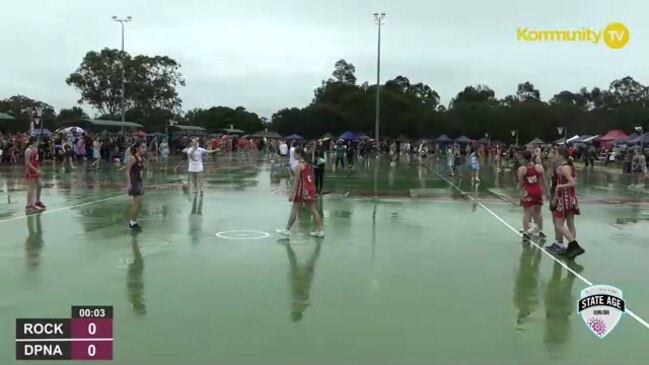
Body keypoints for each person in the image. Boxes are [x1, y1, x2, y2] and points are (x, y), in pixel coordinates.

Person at [546, 147, 585, 259]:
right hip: (571, 198)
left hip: (565, 199)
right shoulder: (569, 166)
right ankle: (570, 248)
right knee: (570, 224)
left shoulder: (563, 168)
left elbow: (572, 183)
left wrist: (559, 186)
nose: (556, 156)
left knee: (559, 224)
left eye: (557, 154)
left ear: (561, 155)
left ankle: (574, 245)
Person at [276, 148, 324, 238]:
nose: (293, 155)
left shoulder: (299, 166)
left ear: (299, 154)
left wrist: (292, 193)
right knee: (314, 210)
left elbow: (297, 180)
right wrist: (292, 179)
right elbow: (302, 176)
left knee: (294, 209)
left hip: (302, 190)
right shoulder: (306, 164)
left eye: (295, 153)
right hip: (310, 188)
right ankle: (320, 230)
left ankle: (287, 230)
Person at [518, 150, 546, 240]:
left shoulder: (522, 169)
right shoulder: (539, 167)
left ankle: (526, 232)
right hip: (537, 191)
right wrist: (547, 192)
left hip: (528, 191)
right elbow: (544, 181)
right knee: (538, 212)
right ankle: (540, 230)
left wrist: (518, 191)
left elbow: (521, 183)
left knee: (527, 213)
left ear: (523, 158)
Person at [126, 142, 147, 232]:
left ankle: (134, 222)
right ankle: (131, 223)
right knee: (137, 203)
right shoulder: (133, 158)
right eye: (142, 147)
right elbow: (127, 171)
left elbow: (142, 171)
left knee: (139, 204)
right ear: (137, 148)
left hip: (139, 182)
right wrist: (129, 183)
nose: (144, 149)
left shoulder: (142, 158)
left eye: (145, 147)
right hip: (134, 183)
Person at [24, 137, 46, 212]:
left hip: (36, 170)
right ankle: (28, 205)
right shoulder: (28, 150)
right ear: (33, 141)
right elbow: (27, 163)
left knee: (40, 185)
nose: (38, 142)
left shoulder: (36, 149)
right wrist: (35, 170)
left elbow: (36, 161)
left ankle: (37, 201)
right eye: (37, 141)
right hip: (30, 171)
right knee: (31, 188)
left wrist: (39, 169)